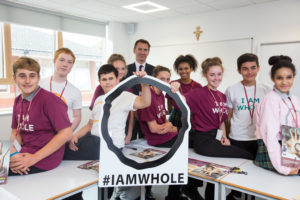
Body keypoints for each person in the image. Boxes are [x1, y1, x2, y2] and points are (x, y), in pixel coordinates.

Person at [184, 57, 253, 200]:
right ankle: (235, 195)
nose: (216, 78)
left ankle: (223, 195)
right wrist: (174, 89)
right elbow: (181, 101)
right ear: (205, 75)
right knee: (246, 155)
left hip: (216, 138)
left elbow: (221, 120)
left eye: (219, 74)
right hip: (203, 140)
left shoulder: (221, 95)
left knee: (220, 169)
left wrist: (224, 137)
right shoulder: (198, 94)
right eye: (212, 74)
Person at [9, 57, 72, 176]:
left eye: (32, 76)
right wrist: (12, 155)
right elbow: (15, 132)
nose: (27, 81)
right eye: (22, 76)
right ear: (14, 78)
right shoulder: (18, 101)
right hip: (24, 153)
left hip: (43, 158)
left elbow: (66, 133)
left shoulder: (50, 101)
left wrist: (33, 158)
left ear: (38, 78)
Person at [138, 66, 187, 200]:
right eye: (162, 79)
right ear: (154, 79)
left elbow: (166, 120)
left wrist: (170, 125)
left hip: (165, 135)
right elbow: (154, 129)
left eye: (168, 79)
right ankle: (173, 194)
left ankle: (174, 194)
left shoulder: (161, 95)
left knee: (188, 134)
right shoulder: (148, 97)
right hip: (156, 139)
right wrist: (169, 125)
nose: (165, 82)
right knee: (190, 140)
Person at [254, 55, 300, 175]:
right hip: (274, 151)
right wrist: (284, 168)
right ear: (272, 78)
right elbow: (270, 136)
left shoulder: (294, 99)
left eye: (289, 77)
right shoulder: (270, 100)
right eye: (280, 78)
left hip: (292, 146)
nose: (285, 82)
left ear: (293, 77)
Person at [225, 53, 271, 159]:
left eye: (253, 68)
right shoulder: (231, 89)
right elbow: (229, 116)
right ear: (239, 71)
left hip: (259, 138)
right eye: (245, 69)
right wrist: (227, 135)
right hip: (237, 138)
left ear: (258, 68)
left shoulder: (267, 89)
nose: (250, 72)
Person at [126, 39, 155, 200]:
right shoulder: (126, 69)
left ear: (148, 52)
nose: (142, 52)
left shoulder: (153, 69)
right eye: (140, 49)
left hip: (147, 116)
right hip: (128, 116)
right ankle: (129, 187)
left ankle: (147, 189)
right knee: (128, 149)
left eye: (145, 50)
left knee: (147, 151)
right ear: (134, 50)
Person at [40, 48, 82, 131]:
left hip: (62, 135)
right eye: (62, 60)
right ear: (54, 61)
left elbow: (77, 116)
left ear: (72, 66)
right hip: (40, 134)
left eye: (69, 62)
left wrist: (67, 134)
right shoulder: (39, 85)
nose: (65, 64)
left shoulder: (75, 91)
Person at [167, 54, 201, 130]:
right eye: (180, 69)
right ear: (177, 70)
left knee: (191, 139)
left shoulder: (198, 86)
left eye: (186, 68)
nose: (183, 71)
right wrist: (171, 112)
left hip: (192, 117)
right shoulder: (173, 83)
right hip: (175, 116)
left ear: (191, 69)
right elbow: (169, 101)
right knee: (174, 139)